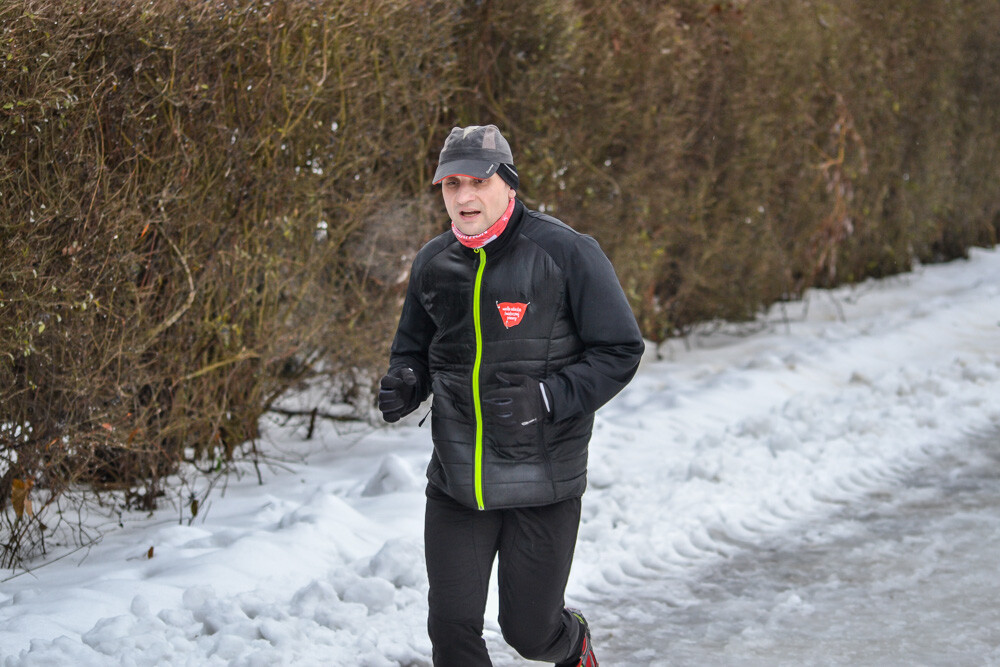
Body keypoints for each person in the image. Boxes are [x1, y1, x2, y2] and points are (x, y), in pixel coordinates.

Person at [378, 124, 644, 666]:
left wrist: (548, 398)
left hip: (541, 482)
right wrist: (407, 381)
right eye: (451, 185)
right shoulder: (434, 262)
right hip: (458, 480)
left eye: (477, 180)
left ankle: (575, 647)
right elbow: (414, 349)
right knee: (451, 633)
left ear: (508, 182)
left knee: (529, 631)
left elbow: (620, 349)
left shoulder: (566, 252)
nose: (464, 196)